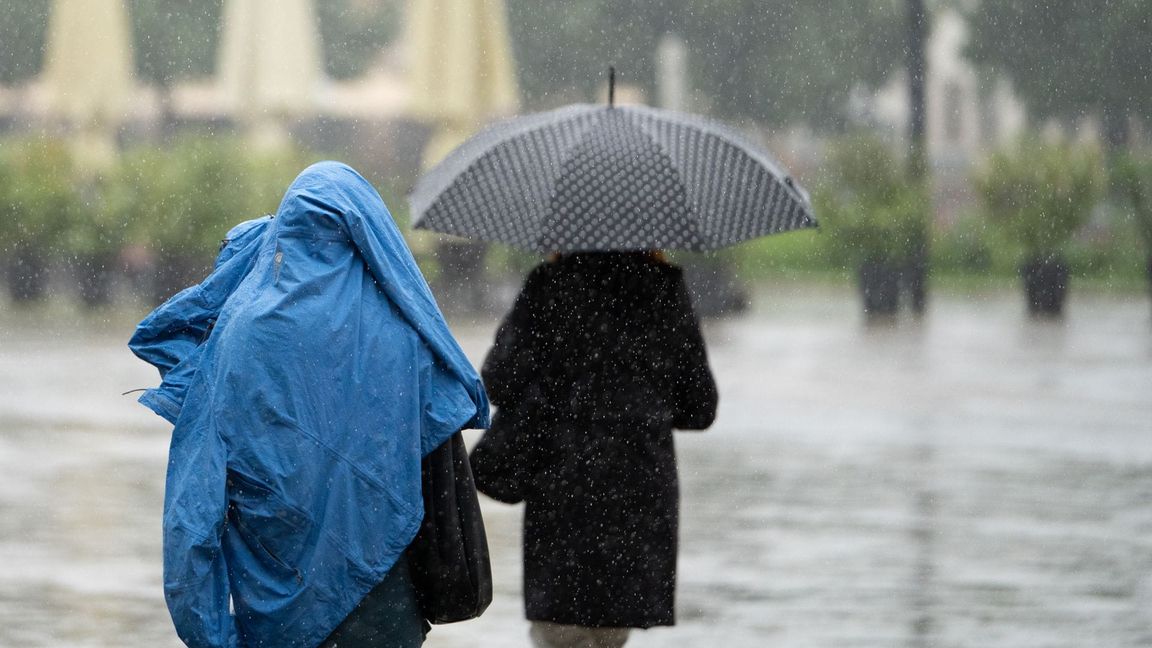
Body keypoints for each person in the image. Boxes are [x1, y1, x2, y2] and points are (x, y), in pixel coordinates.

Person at [129, 162, 489, 648]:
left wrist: (213, 637)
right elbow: (438, 466)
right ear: (369, 238)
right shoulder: (408, 341)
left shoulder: (239, 341)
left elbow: (193, 516)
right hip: (386, 614)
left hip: (277, 620)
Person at [479, 250, 718, 648]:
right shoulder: (664, 287)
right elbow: (699, 408)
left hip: (562, 484)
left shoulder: (549, 284)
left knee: (560, 628)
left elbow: (498, 380)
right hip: (636, 489)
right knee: (611, 630)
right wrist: (640, 400)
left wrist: (560, 380)